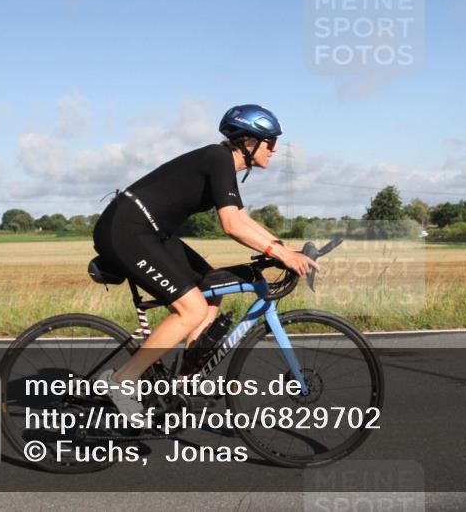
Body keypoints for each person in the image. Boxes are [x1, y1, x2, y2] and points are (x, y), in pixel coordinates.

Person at [90, 104, 319, 414]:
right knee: (192, 308)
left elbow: (241, 217)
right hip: (126, 229)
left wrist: (283, 249)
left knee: (211, 288)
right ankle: (121, 381)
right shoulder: (218, 158)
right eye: (271, 142)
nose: (275, 149)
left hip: (153, 232)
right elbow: (231, 225)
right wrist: (280, 254)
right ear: (249, 142)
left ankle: (182, 384)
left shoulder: (223, 164)